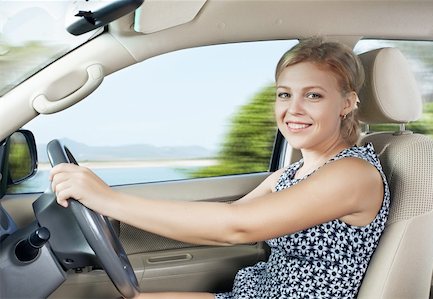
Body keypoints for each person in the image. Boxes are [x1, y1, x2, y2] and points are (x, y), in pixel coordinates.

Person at [50, 38, 390, 299]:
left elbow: (235, 228)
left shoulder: (353, 174)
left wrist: (106, 199)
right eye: (284, 94)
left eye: (313, 96)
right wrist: (110, 212)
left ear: (347, 103)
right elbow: (227, 215)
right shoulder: (293, 173)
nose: (292, 109)